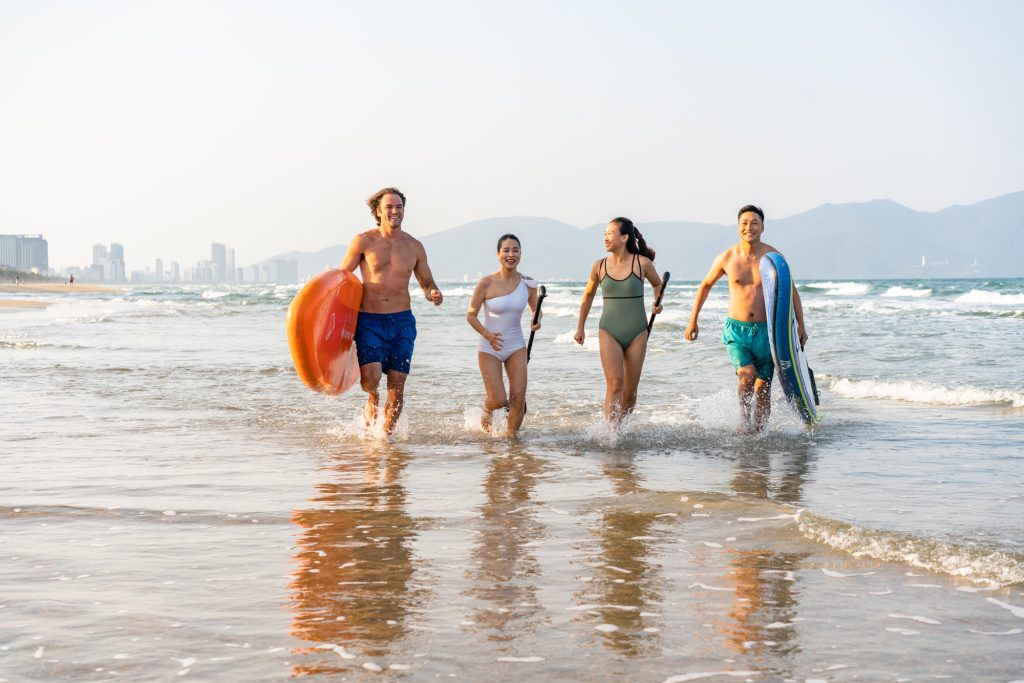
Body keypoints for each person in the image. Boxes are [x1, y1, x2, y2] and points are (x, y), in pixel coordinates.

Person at [683, 205, 808, 432]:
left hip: (767, 332)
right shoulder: (727, 258)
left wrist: (801, 325)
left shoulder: (773, 258)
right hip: (737, 331)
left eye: (754, 223)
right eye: (744, 223)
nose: (749, 227)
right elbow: (705, 286)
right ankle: (743, 420)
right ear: (738, 226)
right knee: (747, 375)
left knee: (763, 390)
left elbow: (792, 291)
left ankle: (758, 433)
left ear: (762, 227)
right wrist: (693, 320)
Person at [340, 187, 443, 434]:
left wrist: (433, 294)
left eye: (399, 207)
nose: (395, 211)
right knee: (371, 380)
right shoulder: (363, 241)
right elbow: (342, 277)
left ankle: (385, 441)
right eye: (389, 207)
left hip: (402, 322)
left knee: (397, 389)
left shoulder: (414, 246)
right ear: (378, 210)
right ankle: (372, 397)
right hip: (369, 321)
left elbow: (427, 284)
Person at [574, 217, 663, 424]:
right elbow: (587, 296)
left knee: (630, 391)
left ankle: (621, 429)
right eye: (604, 233)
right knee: (615, 384)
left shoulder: (642, 263)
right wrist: (580, 327)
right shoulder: (599, 266)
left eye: (610, 233)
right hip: (609, 331)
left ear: (624, 237)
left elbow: (658, 285)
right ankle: (610, 433)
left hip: (638, 332)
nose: (605, 237)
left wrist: (657, 304)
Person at [466, 234, 542, 436]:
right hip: (489, 347)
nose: (511, 254)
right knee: (498, 400)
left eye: (515, 250)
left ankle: (511, 440)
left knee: (518, 397)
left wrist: (536, 320)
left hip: (516, 345)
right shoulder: (486, 283)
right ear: (498, 254)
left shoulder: (528, 283)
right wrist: (487, 334)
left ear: (520, 254)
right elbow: (471, 316)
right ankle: (486, 410)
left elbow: (536, 310)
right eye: (506, 250)